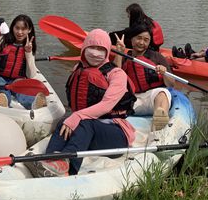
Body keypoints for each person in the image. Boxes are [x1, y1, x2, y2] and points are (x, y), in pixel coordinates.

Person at [26, 29, 136, 177]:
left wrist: (77, 116)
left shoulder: (117, 74)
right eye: (92, 47)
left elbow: (107, 105)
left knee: (83, 122)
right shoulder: (78, 68)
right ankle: (49, 161)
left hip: (116, 135)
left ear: (107, 51)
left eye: (100, 49)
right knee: (64, 122)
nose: (95, 53)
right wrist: (73, 118)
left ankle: (67, 168)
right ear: (84, 49)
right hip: (88, 132)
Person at [0, 15, 46, 110]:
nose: (19, 32)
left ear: (29, 30)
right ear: (12, 28)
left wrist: (28, 52)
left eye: (23, 29)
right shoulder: (2, 40)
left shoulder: (30, 46)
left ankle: (33, 103)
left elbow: (31, 75)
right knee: (0, 87)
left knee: (23, 92)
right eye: (17, 28)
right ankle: (2, 100)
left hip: (18, 79)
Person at [112, 25, 174, 131]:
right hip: (132, 101)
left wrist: (164, 73)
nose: (141, 43)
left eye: (146, 40)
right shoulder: (124, 57)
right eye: (139, 38)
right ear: (132, 39)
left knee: (163, 93)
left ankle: (159, 121)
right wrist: (119, 53)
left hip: (151, 98)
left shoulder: (156, 57)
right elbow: (114, 78)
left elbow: (171, 85)